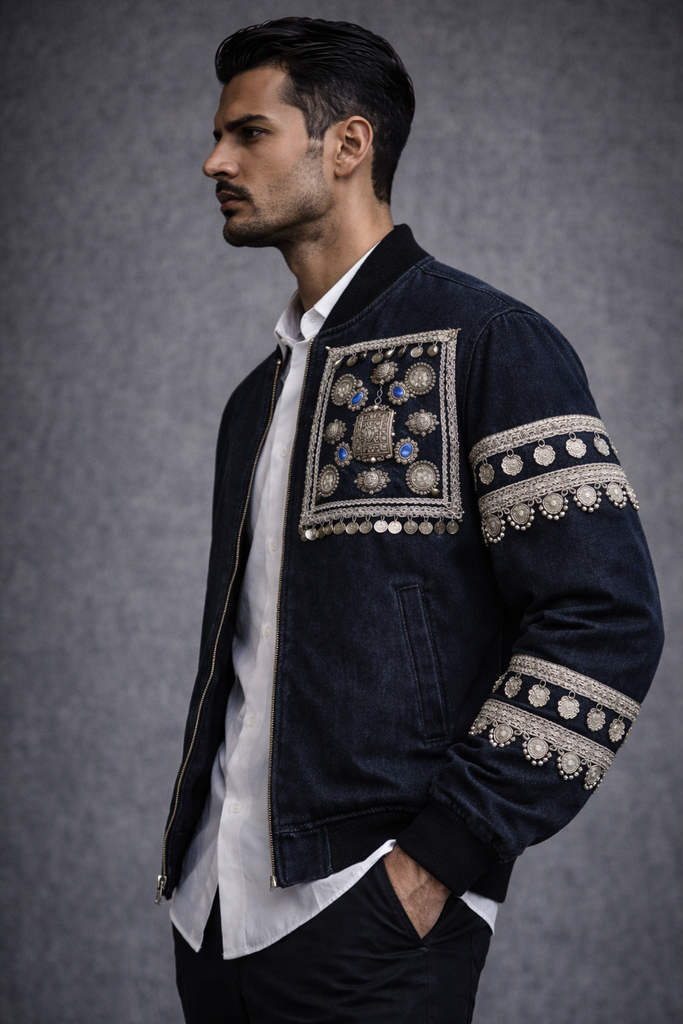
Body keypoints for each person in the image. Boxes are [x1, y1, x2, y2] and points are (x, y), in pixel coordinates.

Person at [157, 17, 663, 1023]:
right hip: (212, 915)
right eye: (218, 136)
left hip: (372, 911)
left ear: (347, 144)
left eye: (249, 133)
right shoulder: (253, 401)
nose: (214, 161)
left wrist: (441, 857)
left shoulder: (490, 342)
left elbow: (605, 620)